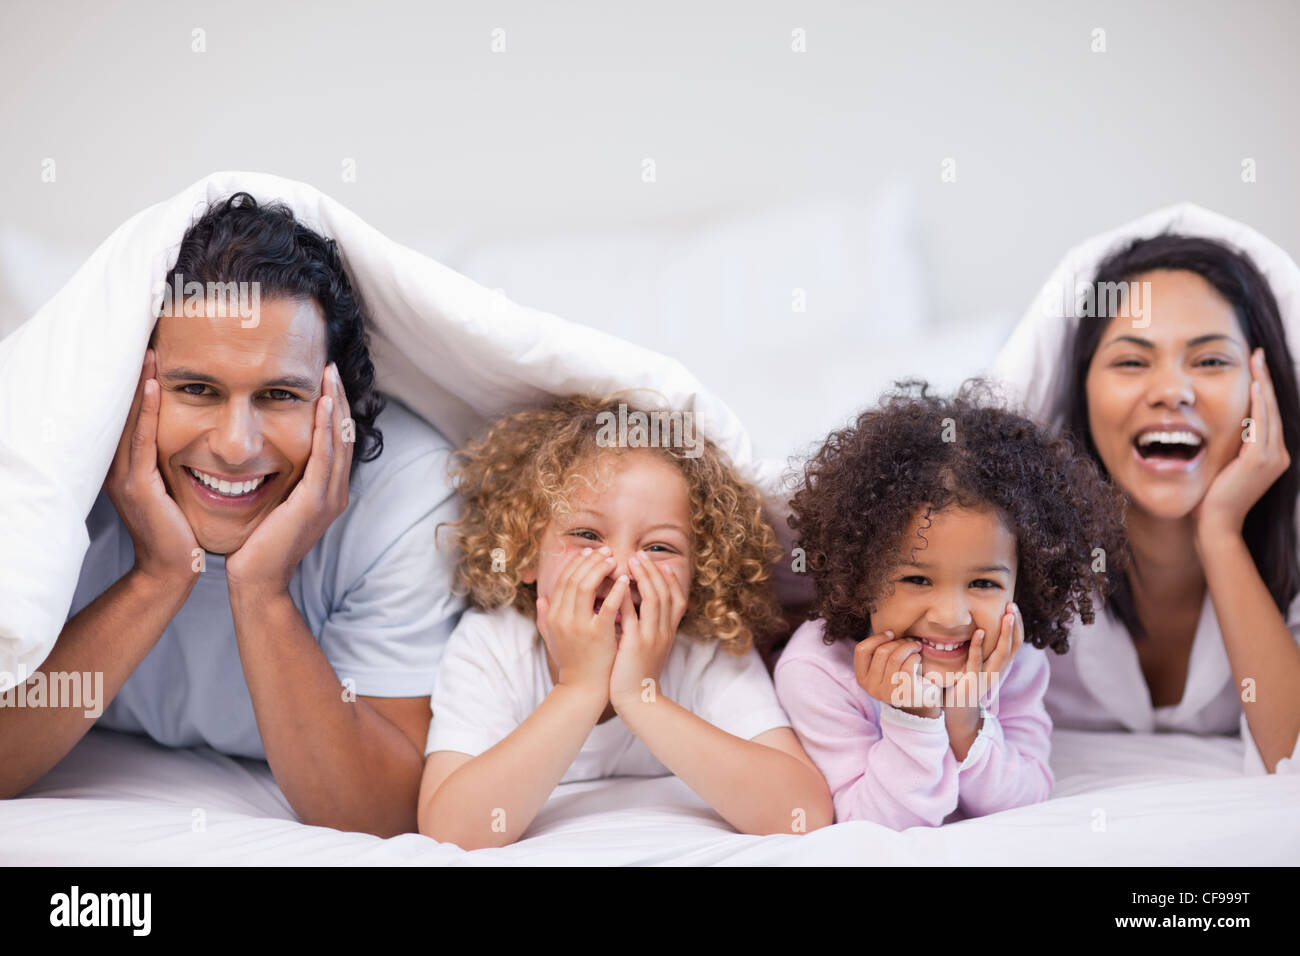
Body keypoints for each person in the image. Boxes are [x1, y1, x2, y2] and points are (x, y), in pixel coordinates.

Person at [0, 193, 465, 836]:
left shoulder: (407, 496)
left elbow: (379, 812)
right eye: (197, 389)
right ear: (129, 385)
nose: (236, 446)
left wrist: (261, 588)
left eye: (279, 395)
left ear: (337, 401)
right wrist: (160, 574)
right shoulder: (50, 481)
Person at [417, 395, 832, 849]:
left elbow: (802, 814)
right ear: (525, 554)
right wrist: (579, 689)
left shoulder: (707, 648)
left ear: (700, 572)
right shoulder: (492, 646)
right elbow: (451, 831)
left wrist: (640, 698)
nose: (621, 567)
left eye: (659, 547)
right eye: (587, 536)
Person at [994, 229, 1300, 774]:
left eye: (1210, 362)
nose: (1171, 390)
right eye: (1132, 363)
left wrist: (1221, 533)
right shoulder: (1006, 551)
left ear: (1264, 390)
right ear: (1080, 393)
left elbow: (1292, 757)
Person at [774, 381, 1125, 828]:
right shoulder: (818, 671)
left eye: (982, 582)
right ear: (860, 575)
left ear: (1024, 583)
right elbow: (869, 824)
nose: (950, 617)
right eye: (917, 578)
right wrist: (912, 718)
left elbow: (1026, 797)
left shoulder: (1013, 660)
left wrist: (965, 718)